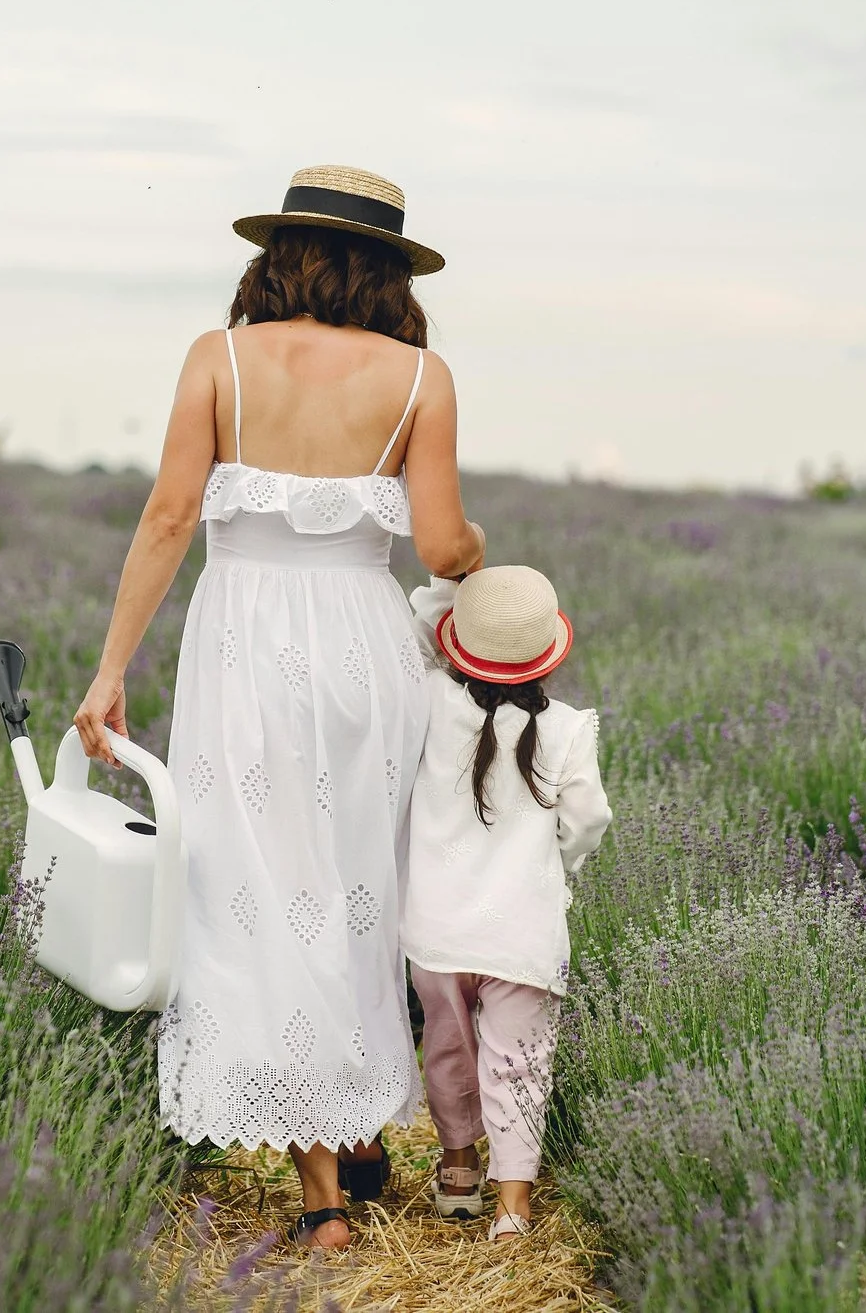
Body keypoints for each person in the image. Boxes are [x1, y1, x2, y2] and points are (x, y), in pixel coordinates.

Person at [74, 165, 487, 1252]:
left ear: (279, 256)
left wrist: (110, 667)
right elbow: (443, 548)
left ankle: (325, 1194)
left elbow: (168, 516)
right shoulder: (422, 377)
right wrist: (476, 558)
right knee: (361, 887)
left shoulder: (217, 359)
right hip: (364, 648)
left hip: (244, 647)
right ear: (390, 273)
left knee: (260, 886)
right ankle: (357, 1125)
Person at [403, 566, 611, 1242]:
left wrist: (449, 575)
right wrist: (558, 864)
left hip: (435, 928)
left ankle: (459, 1172)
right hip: (522, 929)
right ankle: (513, 1208)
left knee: (447, 1049)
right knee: (519, 1062)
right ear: (549, 651)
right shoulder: (570, 728)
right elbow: (587, 822)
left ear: (457, 644)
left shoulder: (429, 697)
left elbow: (412, 630)